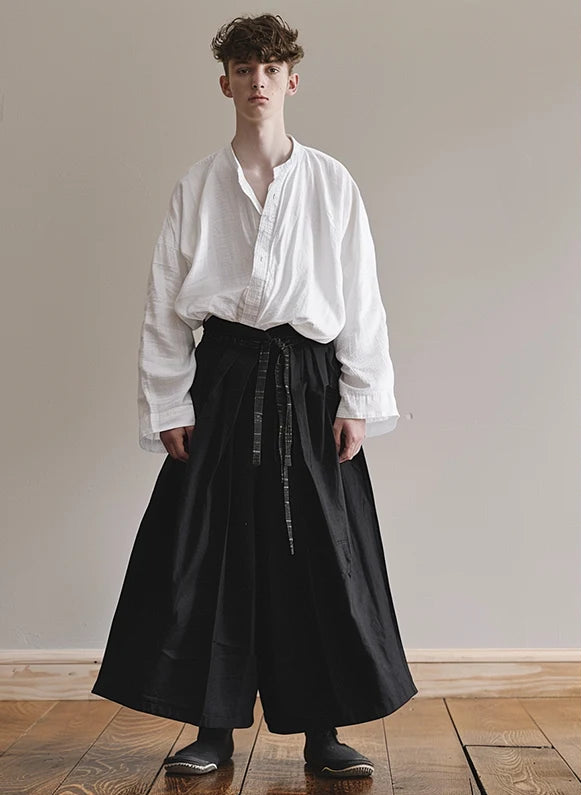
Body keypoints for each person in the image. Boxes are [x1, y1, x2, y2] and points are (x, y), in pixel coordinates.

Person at [91, 14, 416, 779]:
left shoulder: (331, 182)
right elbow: (166, 303)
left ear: (292, 79)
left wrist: (358, 395)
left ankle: (322, 729)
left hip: (309, 378)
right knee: (213, 550)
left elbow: (360, 296)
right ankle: (213, 725)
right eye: (244, 69)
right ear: (226, 82)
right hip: (227, 375)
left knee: (318, 555)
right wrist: (171, 403)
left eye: (271, 68)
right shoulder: (197, 186)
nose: (258, 81)